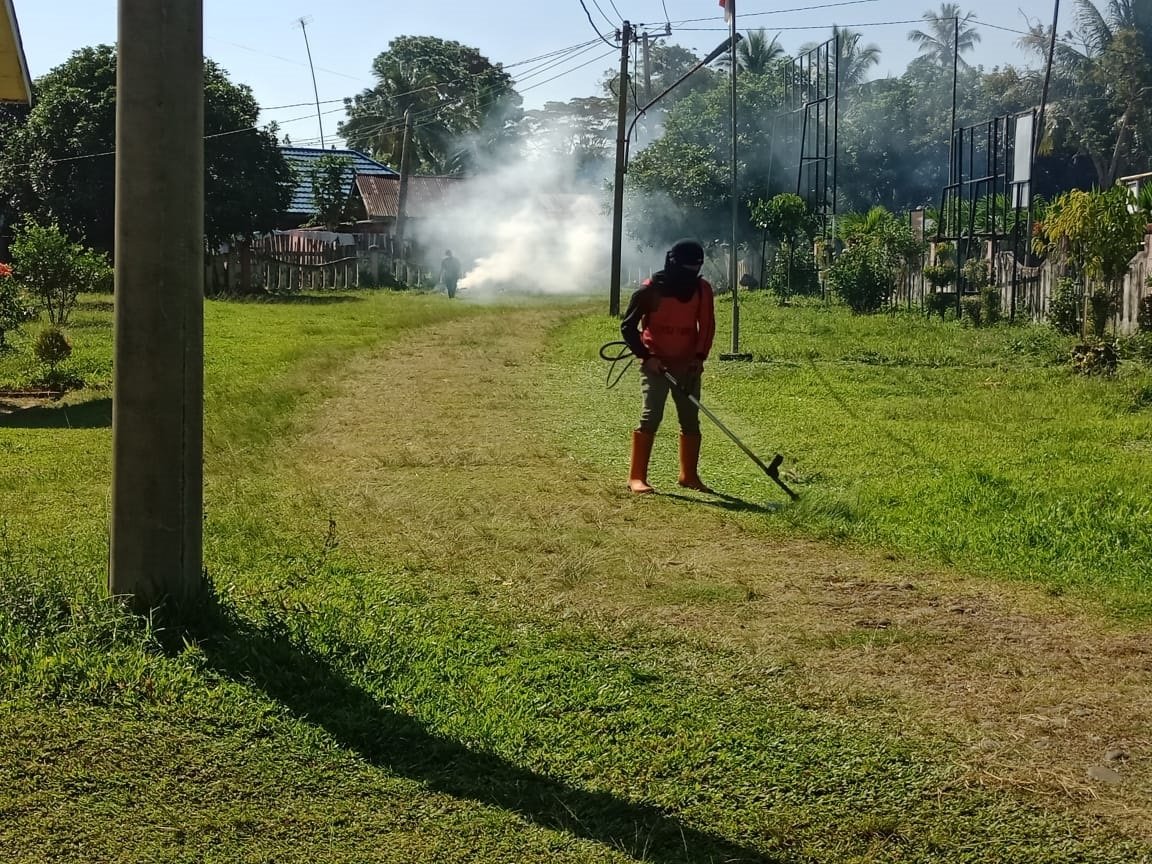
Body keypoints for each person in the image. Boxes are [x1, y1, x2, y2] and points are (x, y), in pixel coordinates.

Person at [619, 238, 716, 495]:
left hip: (688, 364)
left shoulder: (702, 290)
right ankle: (637, 477)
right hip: (655, 362)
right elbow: (627, 327)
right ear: (674, 263)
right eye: (688, 269)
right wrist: (647, 357)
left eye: (696, 269)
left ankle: (689, 476)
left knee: (690, 419)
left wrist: (699, 358)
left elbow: (706, 326)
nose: (691, 275)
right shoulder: (650, 289)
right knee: (652, 415)